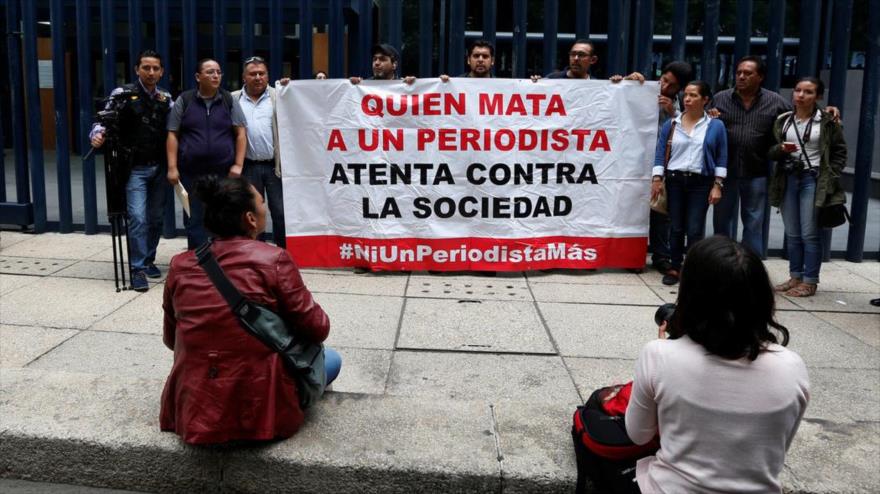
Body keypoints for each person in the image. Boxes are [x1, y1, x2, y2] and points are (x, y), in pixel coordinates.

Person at [160, 175, 341, 445]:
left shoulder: (180, 265)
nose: (265, 205)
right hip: (261, 412)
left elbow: (170, 339)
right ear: (251, 219)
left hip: (196, 410)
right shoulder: (274, 259)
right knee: (332, 360)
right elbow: (319, 328)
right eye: (261, 200)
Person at [625, 235, 809, 493]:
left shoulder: (658, 355)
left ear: (689, 295)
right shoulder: (793, 367)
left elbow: (638, 435)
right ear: (763, 298)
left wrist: (667, 350)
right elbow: (775, 446)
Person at [89, 49, 172, 292]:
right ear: (137, 69)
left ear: (162, 71)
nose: (151, 72)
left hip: (159, 167)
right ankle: (137, 269)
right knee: (137, 217)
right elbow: (101, 122)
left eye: (156, 68)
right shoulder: (122, 94)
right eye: (146, 67)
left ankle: (148, 260)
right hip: (134, 168)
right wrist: (97, 135)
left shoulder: (166, 98)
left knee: (156, 218)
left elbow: (176, 129)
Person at [768, 77, 847, 298]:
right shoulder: (783, 120)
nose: (801, 95)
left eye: (808, 92)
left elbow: (840, 151)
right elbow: (771, 151)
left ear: (818, 96)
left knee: (809, 233)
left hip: (813, 179)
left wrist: (831, 174)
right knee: (792, 233)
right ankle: (795, 276)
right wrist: (781, 148)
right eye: (798, 91)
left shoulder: (827, 121)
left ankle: (810, 281)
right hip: (788, 178)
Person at [710, 56, 790, 257]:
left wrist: (828, 111)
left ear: (760, 77)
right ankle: (721, 263)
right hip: (725, 173)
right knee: (721, 221)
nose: (741, 77)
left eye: (747, 73)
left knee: (754, 222)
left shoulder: (776, 102)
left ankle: (750, 267)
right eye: (738, 73)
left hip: (757, 171)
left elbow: (799, 120)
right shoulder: (720, 99)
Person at [166, 58, 248, 250]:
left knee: (222, 216)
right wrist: (172, 167)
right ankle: (199, 261)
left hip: (223, 172)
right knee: (194, 218)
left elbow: (241, 134)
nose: (216, 75)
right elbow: (172, 134)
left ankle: (221, 259)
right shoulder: (184, 100)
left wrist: (238, 165)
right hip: (191, 173)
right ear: (198, 77)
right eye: (210, 72)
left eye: (218, 72)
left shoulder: (228, 100)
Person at [651, 81, 727, 285]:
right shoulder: (672, 124)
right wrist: (657, 178)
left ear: (705, 100)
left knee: (694, 228)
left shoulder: (715, 125)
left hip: (701, 182)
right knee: (675, 227)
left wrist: (717, 184)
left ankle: (693, 269)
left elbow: (721, 155)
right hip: (675, 180)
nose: (687, 99)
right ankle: (675, 267)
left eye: (693, 95)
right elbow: (660, 152)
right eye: (686, 95)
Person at [231, 56, 287, 249]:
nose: (257, 77)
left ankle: (283, 254)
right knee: (252, 214)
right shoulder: (232, 98)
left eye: (261, 73)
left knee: (280, 212)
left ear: (268, 76)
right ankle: (258, 254)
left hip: (275, 167)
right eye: (252, 74)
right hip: (248, 166)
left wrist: (291, 89)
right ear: (244, 77)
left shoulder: (279, 96)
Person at [648, 61, 694, 275]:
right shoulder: (643, 90)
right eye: (663, 80)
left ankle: (661, 256)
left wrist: (672, 113)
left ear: (680, 88)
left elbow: (692, 132)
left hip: (664, 164)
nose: (664, 86)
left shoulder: (686, 106)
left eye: (671, 84)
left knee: (661, 212)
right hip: (634, 161)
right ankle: (633, 253)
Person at [350, 43, 416, 84]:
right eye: (374, 59)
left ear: (394, 65)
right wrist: (353, 87)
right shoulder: (364, 86)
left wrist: (414, 86)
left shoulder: (403, 85)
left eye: (382, 59)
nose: (376, 63)